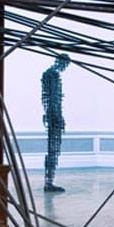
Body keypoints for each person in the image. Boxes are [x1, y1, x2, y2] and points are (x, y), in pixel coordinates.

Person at [40, 54, 70, 192]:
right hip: (53, 116)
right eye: (65, 64)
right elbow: (52, 98)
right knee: (53, 150)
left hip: (52, 115)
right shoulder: (52, 75)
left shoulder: (50, 74)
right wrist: (57, 116)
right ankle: (48, 182)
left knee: (53, 150)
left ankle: (49, 181)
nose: (65, 67)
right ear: (60, 62)